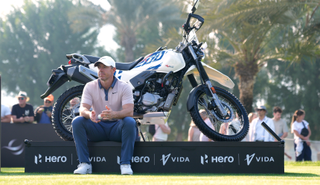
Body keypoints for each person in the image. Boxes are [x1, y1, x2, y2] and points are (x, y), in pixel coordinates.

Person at [72, 56, 137, 175]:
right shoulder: (90, 86)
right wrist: (89, 114)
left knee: (130, 122)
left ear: (114, 70)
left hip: (117, 129)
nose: (101, 70)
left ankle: (125, 164)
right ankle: (84, 164)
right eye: (99, 67)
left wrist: (114, 114)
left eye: (105, 67)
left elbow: (129, 111)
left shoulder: (124, 86)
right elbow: (83, 109)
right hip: (97, 127)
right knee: (77, 121)